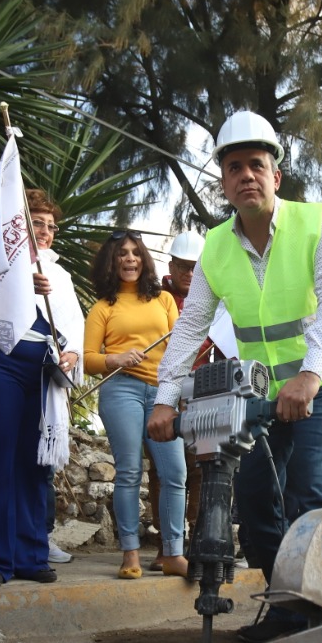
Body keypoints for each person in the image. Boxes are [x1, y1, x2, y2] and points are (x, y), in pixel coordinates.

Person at [147, 110, 322, 643]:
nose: (246, 175)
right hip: (263, 393)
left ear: (275, 176)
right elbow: (190, 327)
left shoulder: (317, 224)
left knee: (313, 486)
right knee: (256, 494)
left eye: (256, 165)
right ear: (223, 182)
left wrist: (310, 375)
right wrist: (165, 399)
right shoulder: (215, 245)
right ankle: (288, 608)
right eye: (234, 166)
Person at [0, 189, 83, 587]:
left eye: (51, 225)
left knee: (35, 465)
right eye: (37, 222)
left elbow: (73, 330)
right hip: (0, 362)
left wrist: (73, 354)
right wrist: (20, 285)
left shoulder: (60, 274)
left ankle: (30, 554)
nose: (45, 230)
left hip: (44, 373)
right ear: (21, 224)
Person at [84, 230, 187, 579]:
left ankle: (173, 553)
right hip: (121, 391)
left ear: (144, 259)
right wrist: (116, 359)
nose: (129, 259)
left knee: (175, 472)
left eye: (135, 253)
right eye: (121, 254)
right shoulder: (102, 307)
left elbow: (177, 347)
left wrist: (176, 391)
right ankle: (130, 553)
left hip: (162, 394)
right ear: (111, 262)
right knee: (128, 472)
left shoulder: (164, 300)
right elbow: (87, 360)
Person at [145, 230, 211, 570]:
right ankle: (166, 545)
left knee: (201, 466)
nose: (189, 273)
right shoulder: (155, 296)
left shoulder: (214, 297)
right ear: (171, 265)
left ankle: (197, 541)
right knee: (164, 469)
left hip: (202, 389)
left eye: (195, 267)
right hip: (164, 391)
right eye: (183, 267)